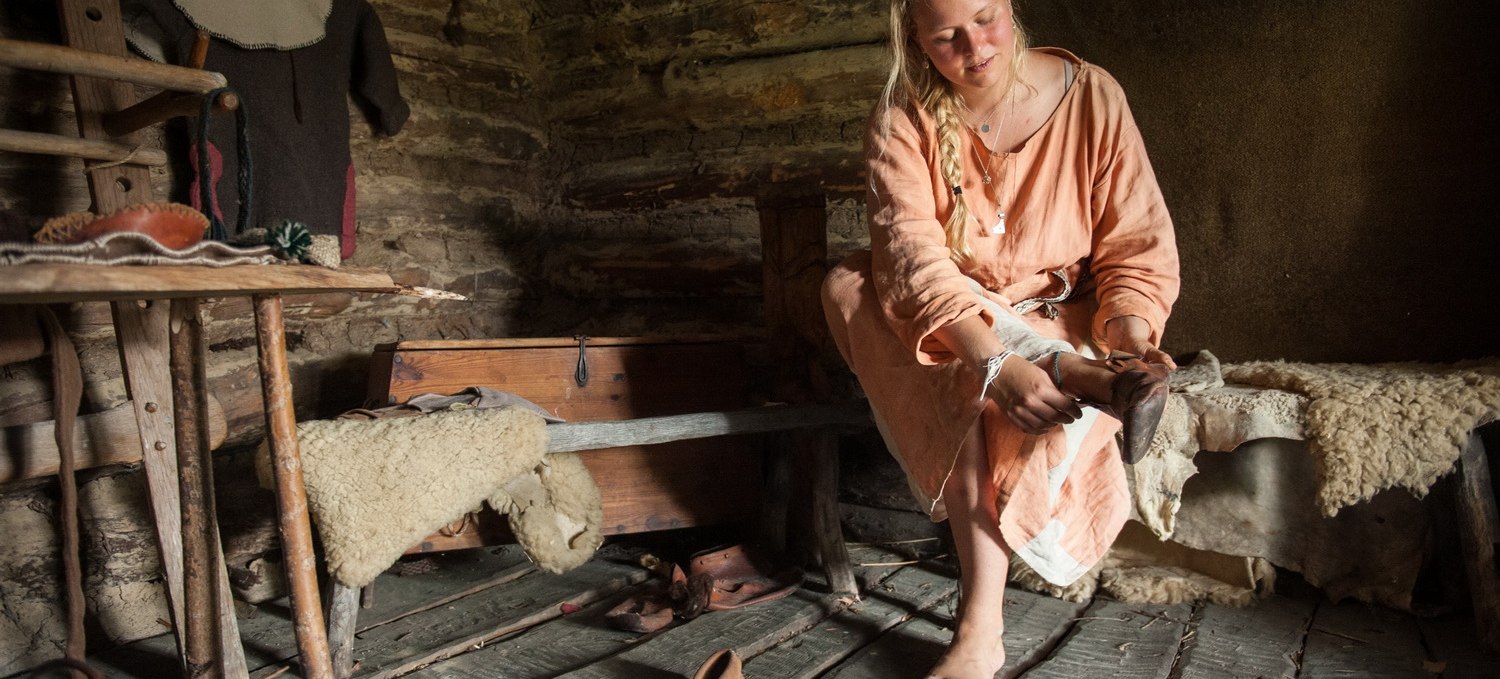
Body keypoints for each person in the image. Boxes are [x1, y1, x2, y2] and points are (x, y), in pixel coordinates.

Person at [820, 1, 1179, 677]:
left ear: (1010, 6)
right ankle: (1072, 377)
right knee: (852, 286)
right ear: (915, 40)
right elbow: (912, 260)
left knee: (968, 385)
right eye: (947, 35)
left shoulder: (1093, 96)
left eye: (985, 18)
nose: (974, 46)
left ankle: (980, 632)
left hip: (1066, 320)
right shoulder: (903, 116)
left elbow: (1136, 249)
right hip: (956, 323)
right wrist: (997, 360)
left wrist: (1131, 348)